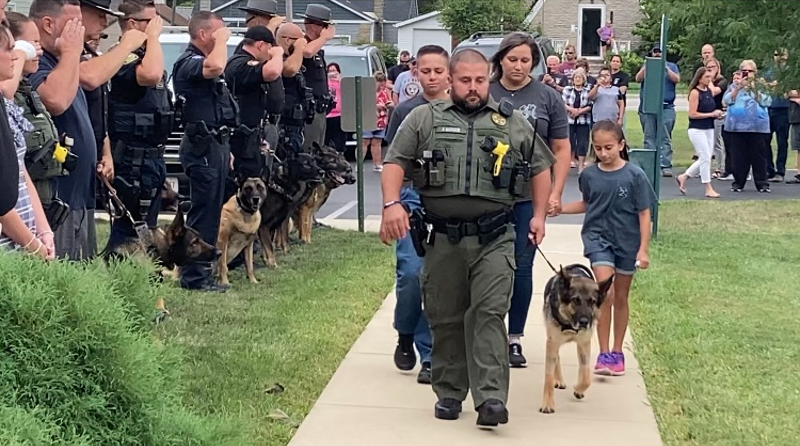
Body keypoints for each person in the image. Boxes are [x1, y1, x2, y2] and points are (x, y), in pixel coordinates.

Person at [380, 48, 555, 426]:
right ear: (450, 80)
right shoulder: (423, 119)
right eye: (465, 80)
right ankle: (449, 391)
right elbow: (394, 161)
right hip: (442, 237)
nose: (473, 88)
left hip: (495, 236)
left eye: (479, 80)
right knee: (445, 317)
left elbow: (541, 167)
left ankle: (491, 397)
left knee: (489, 314)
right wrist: (392, 203)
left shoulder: (509, 122)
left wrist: (539, 214)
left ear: (487, 78)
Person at [488, 31, 570, 368]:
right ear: (500, 60)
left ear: (534, 63)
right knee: (487, 268)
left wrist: (556, 191)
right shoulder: (485, 90)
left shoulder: (548, 97)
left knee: (522, 268)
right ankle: (484, 334)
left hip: (526, 197)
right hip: (488, 195)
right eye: (512, 59)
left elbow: (562, 148)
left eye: (525, 60)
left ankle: (514, 338)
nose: (518, 66)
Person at [551, 120, 655, 377]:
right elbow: (588, 204)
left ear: (621, 145)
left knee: (620, 296)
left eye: (608, 147)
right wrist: (560, 208)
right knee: (604, 293)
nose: (603, 153)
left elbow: (644, 214)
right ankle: (604, 352)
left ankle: (618, 351)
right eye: (598, 148)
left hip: (627, 241)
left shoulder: (635, 176)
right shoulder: (589, 175)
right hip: (598, 239)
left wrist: (643, 249)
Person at [382, 44, 450, 385]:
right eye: (426, 71)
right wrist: (390, 204)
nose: (432, 77)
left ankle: (429, 354)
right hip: (412, 199)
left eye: (439, 71)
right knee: (411, 274)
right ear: (415, 73)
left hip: (448, 203)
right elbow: (392, 162)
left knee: (436, 280)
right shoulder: (405, 111)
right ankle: (405, 331)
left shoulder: (461, 110)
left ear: (448, 73)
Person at [171, 11, 239, 292]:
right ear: (203, 35)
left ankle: (203, 273)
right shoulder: (189, 63)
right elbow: (215, 67)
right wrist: (221, 41)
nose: (224, 38)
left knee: (213, 210)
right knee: (204, 214)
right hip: (201, 148)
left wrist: (227, 148)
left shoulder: (205, 62)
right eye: (218, 33)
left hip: (216, 145)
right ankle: (194, 278)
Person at [29, 0, 96, 260]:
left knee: (82, 269)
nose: (80, 32)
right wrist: (70, 53)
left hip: (79, 192)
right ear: (48, 24)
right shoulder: (37, 62)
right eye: (74, 24)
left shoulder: (62, 60)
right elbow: (55, 100)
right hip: (56, 194)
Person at [104, 0, 172, 251]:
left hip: (152, 158)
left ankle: (141, 279)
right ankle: (118, 282)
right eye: (152, 22)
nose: (157, 27)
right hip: (132, 160)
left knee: (147, 228)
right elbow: (150, 75)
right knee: (129, 227)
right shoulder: (122, 55)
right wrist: (152, 37)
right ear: (132, 24)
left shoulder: (147, 54)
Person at [5, 11, 67, 231]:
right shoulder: (9, 91)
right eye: (33, 43)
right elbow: (5, 92)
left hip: (42, 200)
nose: (38, 50)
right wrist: (20, 53)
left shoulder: (25, 89)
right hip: (17, 210)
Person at [0, 21, 54, 259]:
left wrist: (43, 230)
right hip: (8, 242)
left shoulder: (6, 105)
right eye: (9, 49)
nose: (15, 56)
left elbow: (19, 170)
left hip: (25, 237)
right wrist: (33, 245)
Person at [223, 25, 283, 184]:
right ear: (260, 45)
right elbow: (272, 72)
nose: (269, 53)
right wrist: (278, 55)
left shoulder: (245, 62)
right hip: (240, 141)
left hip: (251, 138)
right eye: (269, 48)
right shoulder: (241, 64)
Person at [723, 59, 772, 193]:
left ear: (754, 73)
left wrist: (754, 89)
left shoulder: (760, 85)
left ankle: (762, 183)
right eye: (744, 71)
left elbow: (767, 101)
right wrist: (738, 88)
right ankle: (738, 183)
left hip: (758, 126)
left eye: (749, 71)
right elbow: (726, 101)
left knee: (759, 156)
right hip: (736, 127)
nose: (747, 74)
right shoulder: (734, 85)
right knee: (738, 156)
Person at [676, 67, 723, 198]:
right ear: (699, 78)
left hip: (708, 128)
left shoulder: (708, 91)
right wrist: (711, 114)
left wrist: (717, 113)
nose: (709, 80)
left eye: (710, 77)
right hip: (697, 129)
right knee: (704, 157)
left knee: (706, 157)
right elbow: (692, 114)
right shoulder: (695, 93)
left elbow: (711, 108)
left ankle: (684, 176)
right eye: (706, 77)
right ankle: (708, 188)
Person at [636, 44, 680, 177]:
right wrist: (647, 67)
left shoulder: (671, 66)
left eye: (659, 52)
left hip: (666, 107)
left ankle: (665, 165)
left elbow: (677, 79)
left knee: (665, 137)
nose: (657, 54)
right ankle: (650, 165)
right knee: (649, 137)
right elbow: (638, 79)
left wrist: (665, 68)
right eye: (655, 52)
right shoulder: (647, 65)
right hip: (648, 108)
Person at [299, 4, 336, 151]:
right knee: (309, 150)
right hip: (309, 111)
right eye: (325, 26)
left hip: (320, 109)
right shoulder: (302, 42)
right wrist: (324, 38)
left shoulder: (318, 50)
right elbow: (307, 52)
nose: (328, 30)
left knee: (319, 150)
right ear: (315, 26)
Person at [275, 22, 308, 154]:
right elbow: (290, 69)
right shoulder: (277, 58)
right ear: (288, 40)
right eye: (300, 40)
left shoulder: (293, 58)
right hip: (284, 124)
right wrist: (299, 47)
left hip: (296, 123)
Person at [562, 68, 592, 172]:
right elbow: (563, 103)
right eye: (576, 77)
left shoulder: (588, 90)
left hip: (583, 121)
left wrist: (579, 111)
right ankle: (568, 162)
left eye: (580, 78)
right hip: (569, 120)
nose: (578, 79)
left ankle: (581, 165)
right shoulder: (567, 89)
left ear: (583, 79)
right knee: (569, 141)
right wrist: (572, 110)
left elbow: (590, 104)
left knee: (582, 143)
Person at [703, 57, 728, 179]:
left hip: (719, 114)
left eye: (713, 67)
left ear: (718, 68)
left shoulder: (722, 81)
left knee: (717, 141)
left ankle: (720, 167)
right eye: (708, 68)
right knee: (707, 142)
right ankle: (705, 167)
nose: (710, 70)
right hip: (707, 114)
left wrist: (711, 79)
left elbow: (713, 92)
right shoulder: (704, 80)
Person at [362, 70, 390, 172]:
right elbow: (363, 104)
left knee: (377, 143)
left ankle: (377, 163)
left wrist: (388, 105)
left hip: (382, 120)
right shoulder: (368, 92)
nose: (381, 84)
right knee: (364, 142)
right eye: (379, 82)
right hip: (369, 119)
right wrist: (376, 106)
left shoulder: (386, 91)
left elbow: (390, 102)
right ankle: (359, 164)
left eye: (383, 82)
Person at [324, 62, 346, 152]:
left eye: (334, 71)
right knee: (327, 138)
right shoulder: (325, 83)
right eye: (330, 71)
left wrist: (339, 80)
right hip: (327, 115)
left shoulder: (342, 83)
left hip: (339, 115)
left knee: (339, 139)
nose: (332, 73)